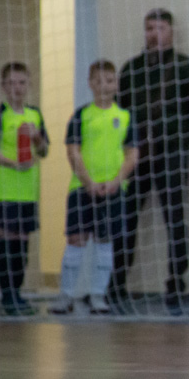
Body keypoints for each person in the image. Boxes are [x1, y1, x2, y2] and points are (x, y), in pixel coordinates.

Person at [109, 8, 189, 315]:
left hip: (171, 156)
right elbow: (118, 112)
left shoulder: (186, 68)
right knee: (126, 218)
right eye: (149, 28)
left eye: (160, 28)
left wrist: (180, 137)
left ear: (171, 32)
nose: (154, 34)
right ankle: (116, 286)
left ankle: (176, 286)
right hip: (135, 156)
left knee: (175, 219)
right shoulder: (132, 70)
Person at [49, 61, 139, 315]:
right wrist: (88, 182)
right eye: (98, 81)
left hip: (112, 190)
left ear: (116, 84)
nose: (104, 86)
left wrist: (115, 181)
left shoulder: (125, 117)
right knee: (76, 241)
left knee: (105, 242)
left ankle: (98, 296)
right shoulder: (81, 115)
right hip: (82, 189)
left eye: (109, 80)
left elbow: (132, 155)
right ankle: (66, 296)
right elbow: (73, 151)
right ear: (90, 83)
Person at [0, 62, 50, 316]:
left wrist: (37, 138)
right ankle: (7, 295)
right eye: (11, 83)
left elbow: (44, 150)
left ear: (28, 84)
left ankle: (17, 294)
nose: (17, 88)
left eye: (21, 82)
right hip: (4, 190)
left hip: (27, 192)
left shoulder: (35, 114)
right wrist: (13, 163)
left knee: (22, 242)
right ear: (3, 86)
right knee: (6, 240)